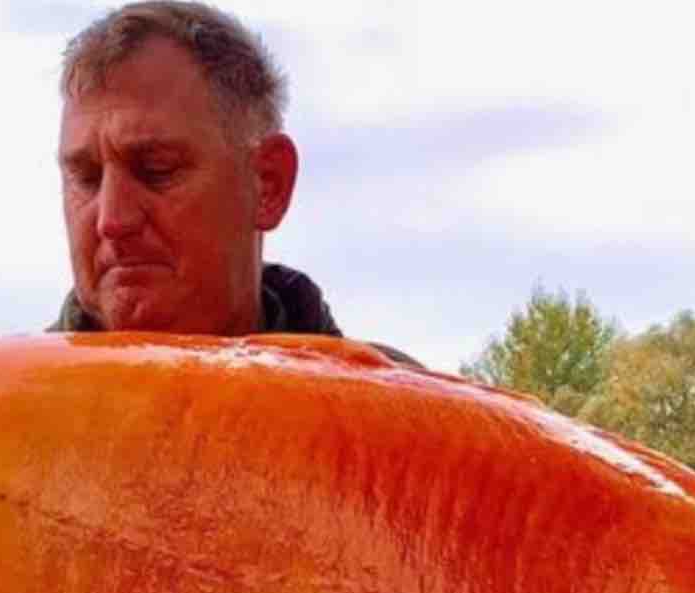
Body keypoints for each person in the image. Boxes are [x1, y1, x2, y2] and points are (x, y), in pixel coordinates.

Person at [47, 1, 422, 368]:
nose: (112, 220)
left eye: (157, 169)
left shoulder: (416, 416)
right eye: (86, 178)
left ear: (268, 184)